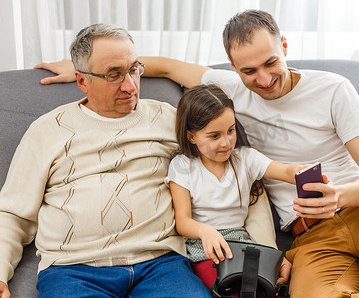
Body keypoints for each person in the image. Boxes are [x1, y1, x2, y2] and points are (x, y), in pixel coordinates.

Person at [35, 10, 359, 298]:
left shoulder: (334, 88)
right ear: (233, 69)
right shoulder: (229, 93)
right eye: (249, 71)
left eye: (272, 62)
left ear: (284, 45)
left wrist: (340, 196)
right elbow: (163, 65)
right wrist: (89, 73)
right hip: (312, 235)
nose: (265, 79)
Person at [0, 23, 212, 297]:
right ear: (81, 81)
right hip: (74, 270)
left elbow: (228, 169)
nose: (130, 85)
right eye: (114, 75)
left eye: (134, 69)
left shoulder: (168, 118)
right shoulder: (48, 129)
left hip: (160, 264)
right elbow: (13, 213)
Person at [166, 84, 309, 290]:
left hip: (241, 244)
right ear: (191, 137)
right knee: (222, 288)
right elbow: (182, 221)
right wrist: (205, 231)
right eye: (214, 136)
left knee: (263, 288)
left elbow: (285, 171)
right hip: (204, 247)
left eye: (230, 131)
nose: (226, 143)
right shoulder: (182, 166)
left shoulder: (246, 159)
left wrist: (302, 171)